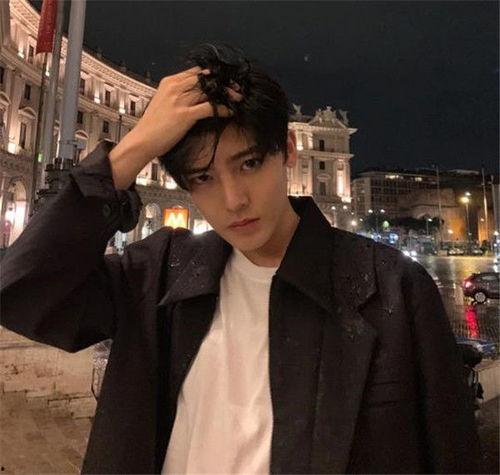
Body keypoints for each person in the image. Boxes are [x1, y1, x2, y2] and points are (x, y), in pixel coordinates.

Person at [0, 44, 481, 474]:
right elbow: (22, 293)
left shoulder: (395, 289)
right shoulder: (158, 275)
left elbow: (450, 454)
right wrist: (135, 147)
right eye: (203, 178)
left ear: (287, 151)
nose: (233, 200)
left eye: (248, 163)